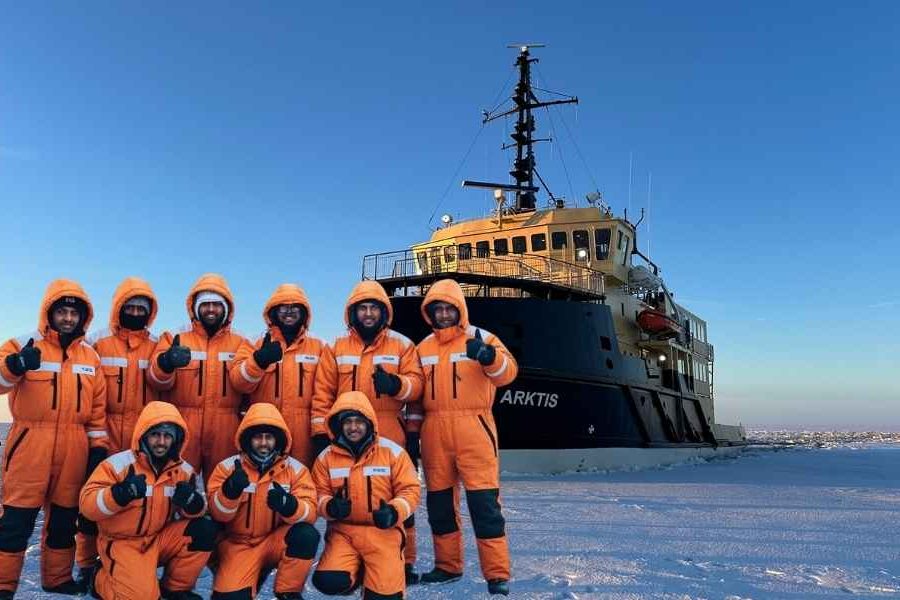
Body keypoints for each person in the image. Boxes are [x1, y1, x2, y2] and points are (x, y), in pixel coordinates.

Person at [0, 279, 109, 597]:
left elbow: (97, 410)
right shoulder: (24, 343)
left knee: (64, 519)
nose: (67, 318)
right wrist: (15, 366)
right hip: (30, 442)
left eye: (73, 314)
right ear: (49, 312)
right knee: (16, 521)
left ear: (83, 318)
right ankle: (4, 585)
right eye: (61, 311)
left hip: (75, 445)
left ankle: (57, 579)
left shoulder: (90, 358)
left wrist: (98, 448)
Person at [312, 281, 424, 583]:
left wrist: (397, 387)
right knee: (345, 494)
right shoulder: (335, 348)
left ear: (384, 311)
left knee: (398, 497)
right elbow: (322, 394)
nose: (369, 313)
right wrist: (322, 434)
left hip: (389, 427)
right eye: (363, 307)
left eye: (374, 307)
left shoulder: (402, 345)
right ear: (353, 312)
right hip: (345, 430)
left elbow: (417, 387)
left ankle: (405, 560)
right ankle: (346, 556)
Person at [415, 279, 518, 596]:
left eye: (449, 308)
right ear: (430, 312)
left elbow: (508, 373)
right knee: (440, 505)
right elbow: (417, 394)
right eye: (438, 309)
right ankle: (448, 566)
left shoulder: (482, 338)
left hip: (474, 428)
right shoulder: (422, 348)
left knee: (484, 505)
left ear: (459, 309)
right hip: (434, 432)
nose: (444, 314)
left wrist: (489, 357)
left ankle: (497, 574)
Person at [76, 276, 163, 587]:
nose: (136, 312)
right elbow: (91, 397)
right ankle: (87, 563)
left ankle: (136, 563)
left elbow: (165, 387)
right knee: (94, 503)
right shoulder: (98, 344)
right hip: (106, 434)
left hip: (147, 438)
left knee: (144, 501)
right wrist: (96, 441)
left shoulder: (158, 346)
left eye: (142, 308)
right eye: (131, 306)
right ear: (118, 308)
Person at [79, 401, 215, 599]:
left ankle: (175, 588)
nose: (161, 441)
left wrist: (192, 502)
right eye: (155, 435)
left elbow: (196, 512)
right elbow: (87, 506)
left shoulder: (184, 471)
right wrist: (120, 494)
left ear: (176, 440)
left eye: (167, 436)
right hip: (122, 543)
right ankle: (99, 578)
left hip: (159, 539)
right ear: (143, 435)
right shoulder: (117, 465)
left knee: (204, 529)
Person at [310, 391, 420, 600]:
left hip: (383, 533)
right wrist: (330, 506)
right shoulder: (326, 458)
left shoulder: (392, 452)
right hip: (344, 533)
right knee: (329, 581)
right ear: (338, 425)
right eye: (348, 422)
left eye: (359, 421)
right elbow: (317, 493)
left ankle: (374, 572)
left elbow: (411, 490)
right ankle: (359, 572)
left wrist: (393, 511)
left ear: (369, 422)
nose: (353, 427)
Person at [207, 403, 320, 599]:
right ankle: (241, 573)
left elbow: (310, 512)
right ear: (248, 440)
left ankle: (288, 591)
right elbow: (218, 515)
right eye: (258, 437)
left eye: (269, 437)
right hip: (238, 545)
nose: (264, 443)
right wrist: (230, 491)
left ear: (278, 440)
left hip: (274, 541)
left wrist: (289, 505)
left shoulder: (296, 470)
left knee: (306, 535)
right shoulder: (226, 468)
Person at [148, 273, 249, 478]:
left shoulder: (240, 342)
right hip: (183, 424)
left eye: (216, 304)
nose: (210, 309)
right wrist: (166, 362)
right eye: (205, 304)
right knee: (178, 483)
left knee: (224, 483)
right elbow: (156, 381)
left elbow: (246, 386)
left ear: (226, 308)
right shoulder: (174, 337)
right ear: (194, 308)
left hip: (226, 428)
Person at [230, 284, 333, 467]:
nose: (289, 312)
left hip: (305, 432)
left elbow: (325, 392)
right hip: (265, 429)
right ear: (274, 311)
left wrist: (321, 432)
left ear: (304, 313)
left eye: (295, 307)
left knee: (302, 481)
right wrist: (259, 361)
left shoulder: (320, 346)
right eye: (283, 307)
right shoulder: (255, 342)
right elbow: (238, 383)